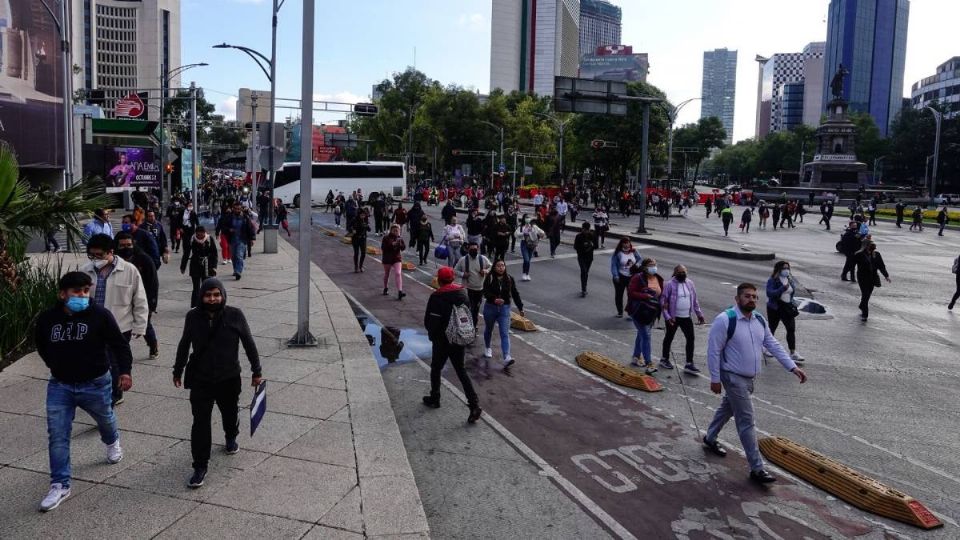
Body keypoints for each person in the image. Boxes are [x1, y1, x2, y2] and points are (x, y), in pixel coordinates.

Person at [34, 272, 133, 512]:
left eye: (85, 291)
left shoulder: (100, 316)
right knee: (57, 434)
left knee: (105, 419)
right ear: (63, 294)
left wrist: (125, 372)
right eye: (77, 292)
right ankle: (60, 484)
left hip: (96, 383)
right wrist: (55, 365)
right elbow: (41, 345)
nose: (82, 296)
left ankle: (112, 441)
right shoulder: (48, 319)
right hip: (60, 385)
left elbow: (119, 345)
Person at [703, 283, 808, 484]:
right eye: (747, 296)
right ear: (737, 299)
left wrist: (792, 367)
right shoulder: (725, 320)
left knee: (728, 408)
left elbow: (772, 344)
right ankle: (757, 468)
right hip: (732, 377)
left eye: (754, 297)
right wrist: (715, 379)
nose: (751, 299)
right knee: (747, 421)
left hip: (749, 378)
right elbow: (713, 351)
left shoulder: (759, 319)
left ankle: (710, 438)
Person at [173, 278, 262, 488]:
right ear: (201, 296)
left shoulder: (235, 315)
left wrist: (256, 371)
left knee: (229, 413)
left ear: (222, 295)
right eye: (207, 295)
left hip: (228, 378)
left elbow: (249, 342)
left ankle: (231, 436)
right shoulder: (193, 316)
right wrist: (178, 370)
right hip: (201, 379)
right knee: (200, 422)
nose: (212, 299)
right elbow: (184, 343)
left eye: (216, 295)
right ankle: (200, 466)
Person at [81, 234, 148, 406]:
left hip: (120, 325)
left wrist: (140, 326)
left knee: (115, 360)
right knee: (98, 360)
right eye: (92, 255)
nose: (95, 259)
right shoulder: (84, 271)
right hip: (93, 326)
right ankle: (102, 389)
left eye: (99, 255)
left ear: (111, 252)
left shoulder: (129, 270)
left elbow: (139, 300)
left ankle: (114, 394)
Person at [422, 266, 482, 423]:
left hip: (442, 340)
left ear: (439, 280)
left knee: (436, 368)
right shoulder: (463, 294)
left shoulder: (437, 297)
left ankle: (435, 397)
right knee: (461, 371)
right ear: (453, 279)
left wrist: (432, 335)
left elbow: (431, 321)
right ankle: (474, 404)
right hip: (459, 338)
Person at [114, 232, 160, 359]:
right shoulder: (114, 261)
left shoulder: (144, 259)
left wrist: (151, 305)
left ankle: (152, 344)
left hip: (142, 299)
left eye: (129, 245)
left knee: (145, 325)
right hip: (122, 300)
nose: (126, 248)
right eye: (122, 246)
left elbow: (153, 283)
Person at [660, 265, 706, 373]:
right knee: (669, 337)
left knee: (690, 338)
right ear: (675, 273)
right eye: (679, 272)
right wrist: (667, 317)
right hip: (673, 318)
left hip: (686, 317)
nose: (682, 274)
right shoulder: (669, 284)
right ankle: (664, 359)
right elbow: (663, 302)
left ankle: (689, 363)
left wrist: (699, 314)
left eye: (684, 272)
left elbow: (694, 300)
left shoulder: (690, 283)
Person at [482, 259, 524, 371]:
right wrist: (494, 299)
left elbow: (515, 293)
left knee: (504, 333)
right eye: (498, 266)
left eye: (503, 266)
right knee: (489, 329)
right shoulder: (489, 278)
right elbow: (485, 292)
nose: (501, 268)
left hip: (505, 309)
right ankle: (487, 347)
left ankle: (507, 356)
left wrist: (520, 307)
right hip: (490, 308)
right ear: (494, 267)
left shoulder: (509, 279)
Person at [627, 258, 663, 374]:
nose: (654, 267)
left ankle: (636, 356)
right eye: (651, 265)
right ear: (644, 267)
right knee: (646, 336)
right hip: (639, 311)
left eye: (655, 264)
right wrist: (645, 296)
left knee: (641, 334)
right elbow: (631, 292)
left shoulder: (658, 278)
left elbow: (661, 294)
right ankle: (649, 363)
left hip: (651, 312)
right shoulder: (638, 277)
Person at [765, 261, 804, 362]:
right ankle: (767, 348)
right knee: (772, 328)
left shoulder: (789, 279)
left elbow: (791, 293)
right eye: (784, 268)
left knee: (791, 329)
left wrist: (793, 302)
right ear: (778, 269)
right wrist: (782, 288)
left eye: (787, 268)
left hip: (787, 307)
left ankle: (793, 352)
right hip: (775, 307)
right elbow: (770, 293)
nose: (786, 270)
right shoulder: (773, 280)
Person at [453, 241, 491, 328]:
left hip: (480, 289)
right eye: (471, 249)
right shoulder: (463, 260)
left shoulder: (483, 259)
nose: (474, 250)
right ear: (468, 249)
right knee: (468, 308)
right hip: (467, 289)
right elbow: (455, 270)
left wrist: (485, 271)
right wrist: (463, 274)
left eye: (475, 249)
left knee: (476, 309)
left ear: (478, 249)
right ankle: (468, 325)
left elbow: (491, 267)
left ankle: (474, 325)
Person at [181, 226, 219, 308]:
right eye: (198, 234)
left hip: (207, 265)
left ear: (204, 233)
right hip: (195, 264)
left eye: (202, 234)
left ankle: (206, 304)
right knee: (196, 287)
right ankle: (194, 305)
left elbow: (214, 254)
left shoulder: (209, 239)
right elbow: (186, 253)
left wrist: (214, 267)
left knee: (206, 286)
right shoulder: (192, 239)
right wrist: (183, 266)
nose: (200, 236)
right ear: (196, 233)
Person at [854, 241, 891, 322]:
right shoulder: (859, 254)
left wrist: (886, 275)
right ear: (865, 246)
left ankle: (861, 305)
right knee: (866, 294)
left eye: (872, 246)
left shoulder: (877, 254)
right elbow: (852, 264)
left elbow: (881, 266)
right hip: (862, 277)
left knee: (867, 295)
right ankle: (865, 314)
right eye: (869, 246)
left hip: (873, 277)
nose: (871, 248)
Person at [220, 203, 255, 280]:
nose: (237, 210)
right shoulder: (229, 217)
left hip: (242, 239)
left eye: (239, 209)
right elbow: (223, 227)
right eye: (235, 208)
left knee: (239, 255)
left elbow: (251, 228)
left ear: (241, 209)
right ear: (233, 209)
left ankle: (238, 271)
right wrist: (229, 229)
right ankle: (235, 269)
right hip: (232, 240)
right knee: (233, 256)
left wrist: (252, 238)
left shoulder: (245, 218)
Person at [610, 238, 642, 318]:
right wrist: (616, 275)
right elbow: (613, 265)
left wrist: (637, 265)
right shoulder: (618, 253)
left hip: (632, 277)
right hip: (620, 276)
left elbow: (640, 259)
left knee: (631, 295)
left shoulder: (634, 251)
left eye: (628, 243)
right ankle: (620, 312)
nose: (626, 244)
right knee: (619, 295)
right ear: (621, 244)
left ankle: (630, 312)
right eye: (624, 243)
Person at [381, 224, 407, 300]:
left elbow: (403, 248)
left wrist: (401, 244)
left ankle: (400, 291)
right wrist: (392, 244)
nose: (396, 232)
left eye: (398, 230)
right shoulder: (386, 238)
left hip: (396, 258)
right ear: (391, 230)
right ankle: (385, 288)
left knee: (398, 273)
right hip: (387, 258)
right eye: (394, 230)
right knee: (387, 274)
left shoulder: (400, 238)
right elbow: (383, 248)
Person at [517, 215, 544, 281]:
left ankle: (527, 274)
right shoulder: (521, 227)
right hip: (524, 244)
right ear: (524, 219)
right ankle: (524, 274)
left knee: (528, 260)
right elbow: (516, 234)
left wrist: (540, 234)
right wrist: (523, 233)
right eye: (526, 218)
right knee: (526, 260)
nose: (528, 219)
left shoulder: (533, 226)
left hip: (532, 244)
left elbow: (541, 232)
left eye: (529, 217)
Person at [574, 222, 596, 297]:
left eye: (587, 230)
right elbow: (575, 247)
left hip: (589, 257)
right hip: (581, 257)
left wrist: (592, 245)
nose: (586, 231)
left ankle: (584, 285)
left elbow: (596, 246)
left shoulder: (592, 235)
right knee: (584, 271)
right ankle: (584, 289)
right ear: (582, 229)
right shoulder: (578, 236)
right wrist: (584, 246)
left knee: (586, 272)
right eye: (584, 229)